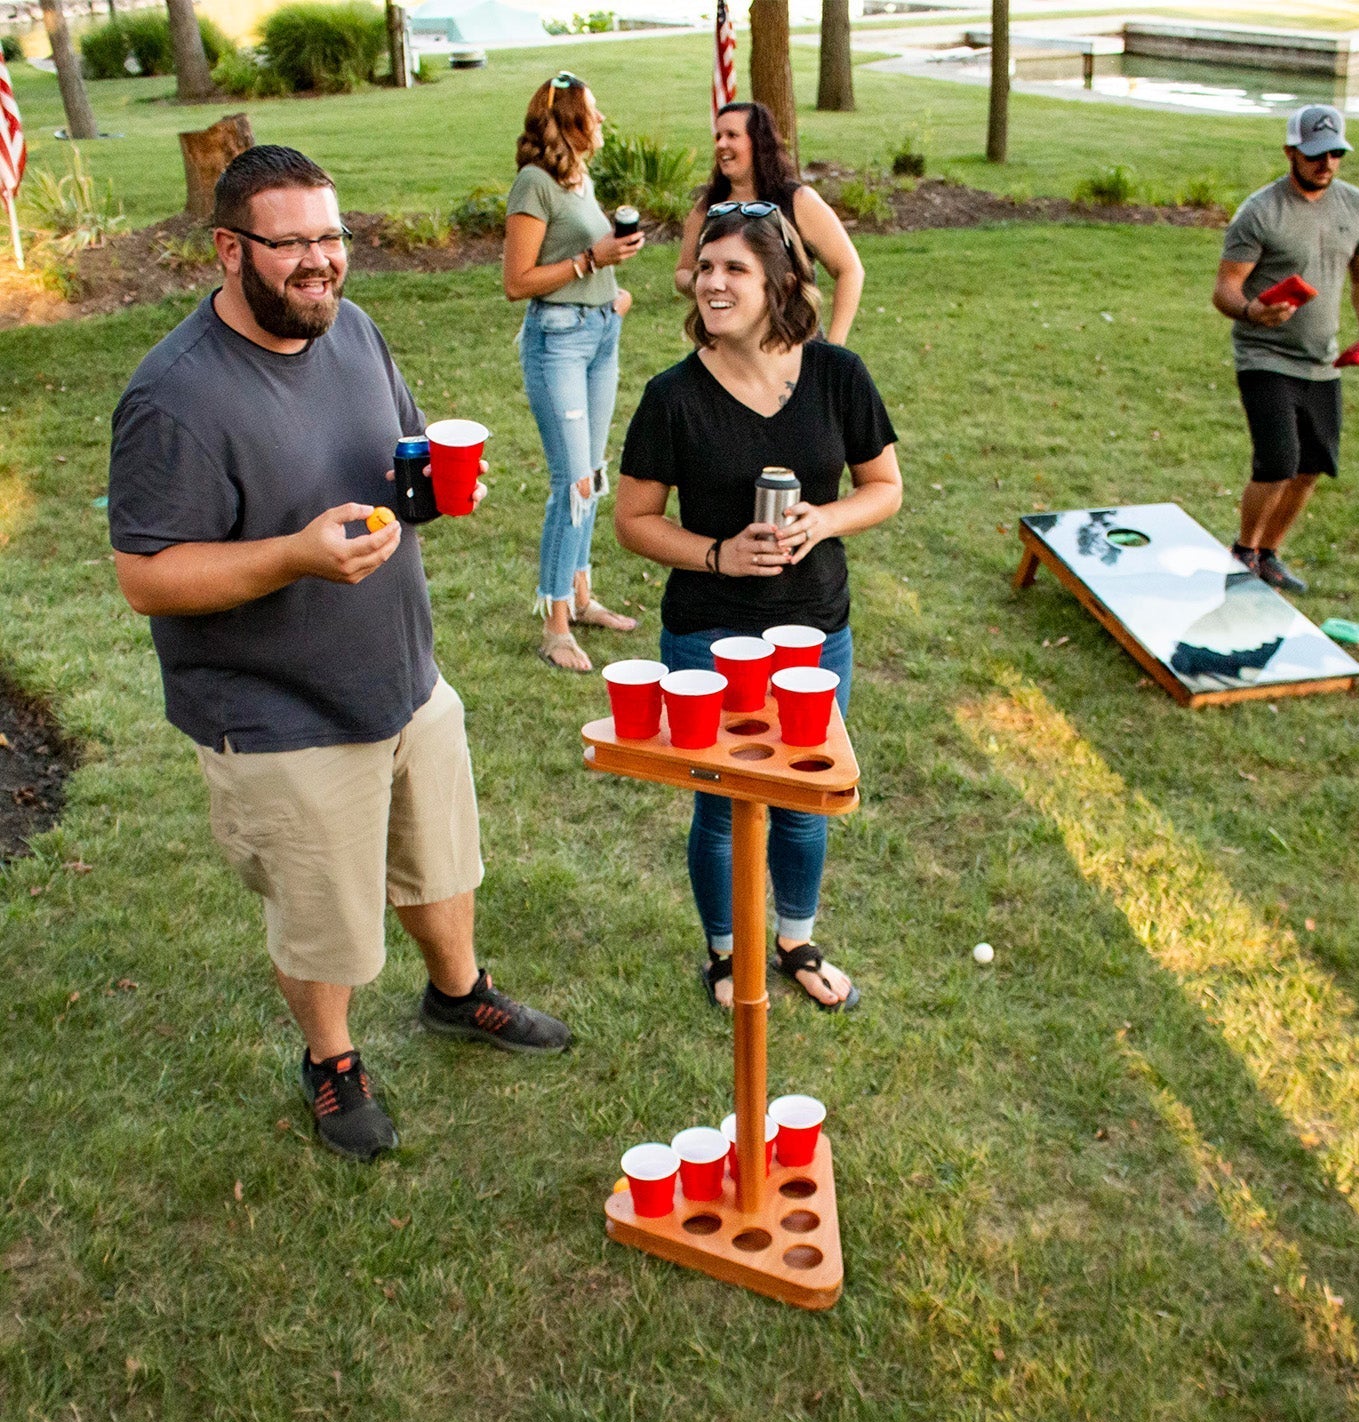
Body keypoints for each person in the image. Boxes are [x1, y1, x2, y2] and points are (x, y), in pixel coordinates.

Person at [109, 145, 570, 1165]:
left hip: (401, 676)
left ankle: (460, 995)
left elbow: (393, 460)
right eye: (292, 244)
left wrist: (432, 496)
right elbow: (145, 575)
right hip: (279, 712)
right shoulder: (174, 399)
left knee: (441, 862)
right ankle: (332, 1061)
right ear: (229, 250)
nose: (321, 264)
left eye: (332, 238)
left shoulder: (352, 329)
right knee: (323, 919)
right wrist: (293, 557)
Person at [618, 203, 901, 1013]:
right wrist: (719, 554)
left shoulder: (836, 375)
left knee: (804, 795)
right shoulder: (672, 396)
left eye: (733, 269)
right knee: (723, 801)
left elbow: (884, 488)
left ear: (779, 282)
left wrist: (825, 518)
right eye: (706, 267)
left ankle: (795, 939)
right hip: (709, 629)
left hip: (816, 624)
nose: (712, 282)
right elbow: (634, 523)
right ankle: (724, 950)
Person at [1212, 104, 1359, 594]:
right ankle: (1243, 552)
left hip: (1323, 360)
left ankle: (1269, 554)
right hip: (1264, 354)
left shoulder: (1356, 207)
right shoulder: (1260, 212)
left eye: (1334, 153)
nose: (1325, 162)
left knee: (1311, 467)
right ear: (1290, 151)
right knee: (1279, 461)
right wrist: (1250, 312)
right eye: (1314, 154)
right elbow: (1226, 288)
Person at [504, 70, 644, 671]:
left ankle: (582, 598)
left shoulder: (577, 178)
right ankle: (556, 626)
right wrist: (594, 259)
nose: (603, 120)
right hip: (557, 342)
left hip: (599, 335)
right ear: (566, 119)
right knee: (573, 483)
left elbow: (584, 262)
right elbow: (518, 283)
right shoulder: (533, 184)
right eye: (593, 110)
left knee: (592, 472)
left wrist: (611, 293)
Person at [674, 101, 865, 347]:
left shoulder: (799, 201)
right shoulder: (708, 207)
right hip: (723, 354)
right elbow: (682, 272)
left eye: (732, 135)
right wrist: (712, 284)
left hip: (791, 347)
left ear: (759, 142)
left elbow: (850, 270)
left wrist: (834, 351)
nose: (721, 144)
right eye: (718, 136)